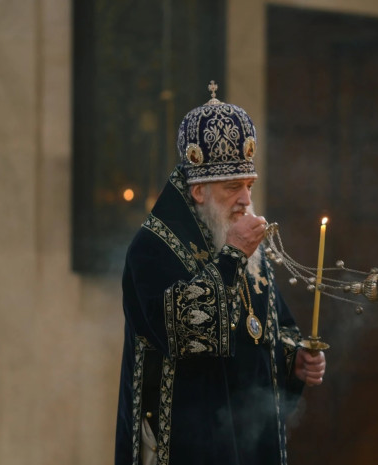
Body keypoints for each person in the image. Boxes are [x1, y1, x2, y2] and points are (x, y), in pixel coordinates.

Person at [115, 82, 326, 465]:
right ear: (198, 190)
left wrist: (293, 360)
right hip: (187, 445)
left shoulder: (240, 242)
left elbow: (266, 329)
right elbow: (183, 335)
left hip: (249, 441)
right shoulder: (153, 248)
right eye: (233, 187)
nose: (246, 200)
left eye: (249, 185)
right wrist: (231, 257)